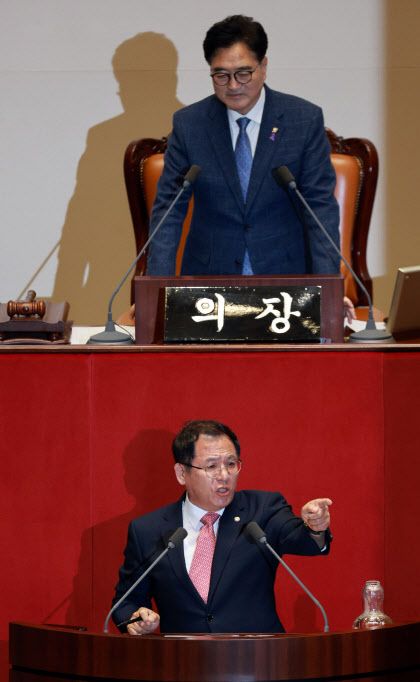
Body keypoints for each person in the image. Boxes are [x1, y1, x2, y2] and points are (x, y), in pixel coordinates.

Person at [146, 14, 340, 281]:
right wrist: (157, 288)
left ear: (264, 66)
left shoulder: (303, 120)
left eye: (243, 73)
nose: (233, 85)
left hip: (286, 277)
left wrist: (328, 286)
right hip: (210, 279)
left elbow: (320, 207)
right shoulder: (190, 125)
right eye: (221, 75)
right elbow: (168, 211)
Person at [112, 420, 332, 634]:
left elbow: (302, 539)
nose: (224, 476)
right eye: (211, 466)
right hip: (182, 657)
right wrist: (136, 619)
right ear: (181, 473)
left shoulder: (262, 510)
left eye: (231, 464)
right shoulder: (148, 530)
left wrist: (315, 527)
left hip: (259, 655)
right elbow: (126, 603)